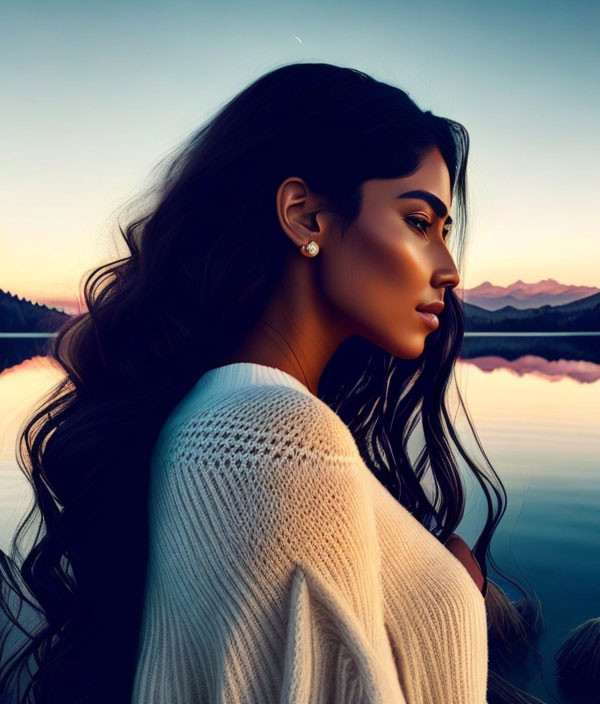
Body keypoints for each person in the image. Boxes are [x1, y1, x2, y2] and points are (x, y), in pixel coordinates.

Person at [0, 62, 543, 704]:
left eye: (445, 231)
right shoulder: (278, 441)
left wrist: (427, 586)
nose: (449, 269)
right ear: (304, 216)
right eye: (419, 223)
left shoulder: (218, 414)